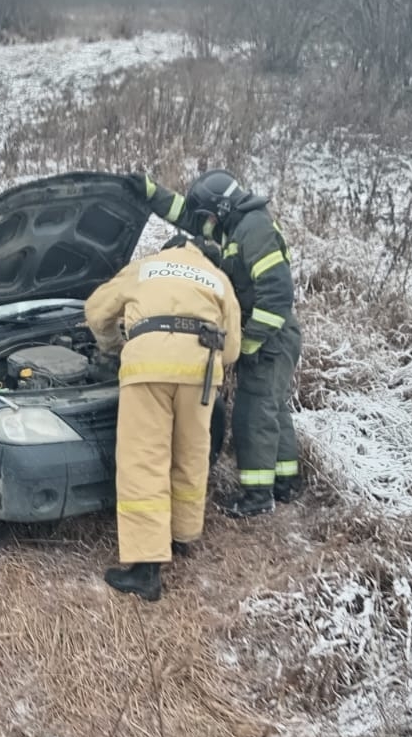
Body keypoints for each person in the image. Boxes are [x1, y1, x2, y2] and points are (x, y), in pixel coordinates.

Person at [123, 170, 303, 517]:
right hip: (273, 335)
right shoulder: (236, 223)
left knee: (254, 414)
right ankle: (285, 483)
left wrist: (246, 342)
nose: (205, 222)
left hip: (271, 336)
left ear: (220, 208)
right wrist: (150, 192)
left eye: (208, 214)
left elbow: (277, 295)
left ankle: (257, 497)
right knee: (273, 409)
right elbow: (188, 214)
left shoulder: (254, 231)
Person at [86, 236, 242, 602]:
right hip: (201, 372)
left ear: (166, 249)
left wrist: (113, 347)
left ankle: (146, 570)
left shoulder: (145, 267)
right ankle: (183, 536)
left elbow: (96, 311)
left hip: (149, 367)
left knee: (145, 460)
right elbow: (232, 346)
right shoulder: (216, 275)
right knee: (190, 454)